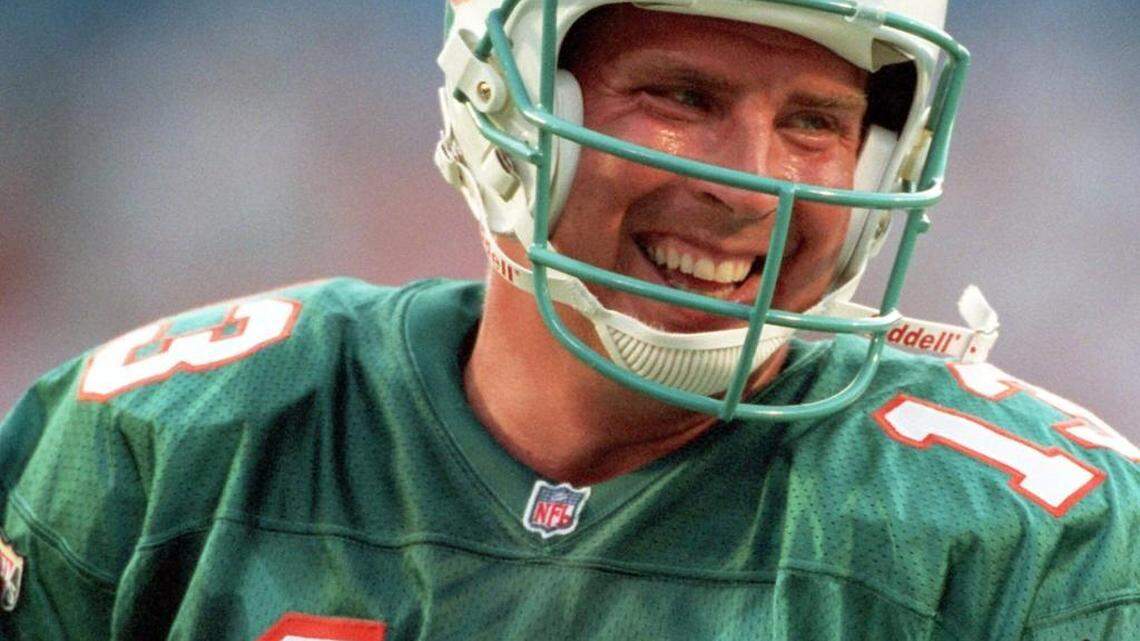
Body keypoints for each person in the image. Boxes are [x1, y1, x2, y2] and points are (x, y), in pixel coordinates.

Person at [1, 0, 1137, 639]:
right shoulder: (170, 440)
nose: (752, 183)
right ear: (505, 102)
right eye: (683, 97)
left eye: (816, 121)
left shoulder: (1033, 539)